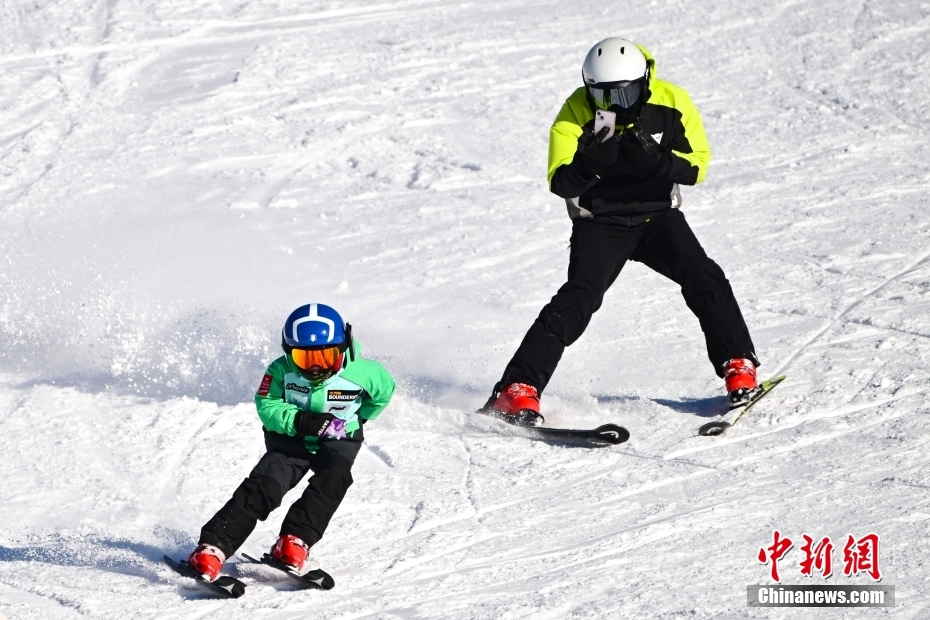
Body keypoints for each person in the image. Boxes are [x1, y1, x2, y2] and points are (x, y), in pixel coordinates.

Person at [483, 37, 759, 424]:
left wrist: (660, 161)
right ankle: (517, 389)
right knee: (578, 299)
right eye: (601, 94)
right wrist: (590, 164)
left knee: (703, 275)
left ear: (644, 82)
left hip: (657, 218)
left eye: (625, 94)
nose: (612, 105)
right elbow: (560, 182)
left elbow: (697, 168)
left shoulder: (671, 101)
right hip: (600, 223)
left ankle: (738, 364)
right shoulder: (574, 111)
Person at [185, 303, 394, 580]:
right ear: (288, 352)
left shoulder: (367, 373)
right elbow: (267, 404)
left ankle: (294, 542)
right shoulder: (280, 370)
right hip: (290, 440)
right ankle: (212, 548)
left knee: (335, 478)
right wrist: (300, 421)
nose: (316, 367)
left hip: (339, 439)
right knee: (265, 485)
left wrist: (359, 418)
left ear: (344, 347)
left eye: (326, 356)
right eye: (305, 359)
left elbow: (381, 396)